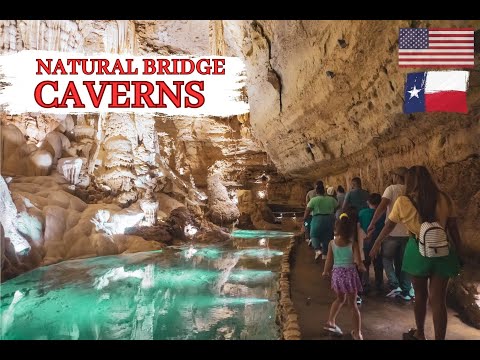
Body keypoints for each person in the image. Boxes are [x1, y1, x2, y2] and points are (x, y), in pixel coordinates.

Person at [369, 166, 462, 340]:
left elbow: (389, 226)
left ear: (409, 181)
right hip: (442, 250)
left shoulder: (404, 201)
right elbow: (453, 228)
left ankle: (420, 333)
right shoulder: (445, 198)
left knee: (420, 295)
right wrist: (460, 251)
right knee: (438, 301)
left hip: (417, 249)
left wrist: (376, 243)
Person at [367, 167, 412, 300]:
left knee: (386, 258)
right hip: (408, 232)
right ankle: (406, 290)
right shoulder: (411, 190)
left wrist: (373, 222)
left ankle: (394, 285)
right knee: (403, 262)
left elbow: (382, 206)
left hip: (392, 231)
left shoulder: (391, 189)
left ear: (396, 177)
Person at [323, 212, 366, 340]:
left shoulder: (332, 243)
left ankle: (331, 322)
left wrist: (325, 271)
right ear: (350, 231)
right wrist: (361, 266)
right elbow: (358, 261)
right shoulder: (352, 244)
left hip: (337, 275)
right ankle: (357, 333)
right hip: (350, 275)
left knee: (339, 299)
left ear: (336, 229)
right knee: (352, 304)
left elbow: (328, 260)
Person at [358, 193, 385, 294]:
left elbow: (359, 226)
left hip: (365, 242)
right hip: (378, 242)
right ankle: (379, 284)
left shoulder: (362, 213)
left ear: (368, 202)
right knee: (378, 264)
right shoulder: (383, 214)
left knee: (365, 263)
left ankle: (365, 284)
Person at [303, 182, 337, 260]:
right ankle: (325, 255)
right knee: (327, 237)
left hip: (317, 219)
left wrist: (305, 219)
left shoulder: (314, 200)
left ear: (316, 191)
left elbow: (307, 210)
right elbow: (337, 206)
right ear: (324, 191)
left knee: (314, 235)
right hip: (329, 219)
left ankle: (317, 250)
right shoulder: (331, 199)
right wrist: (331, 211)